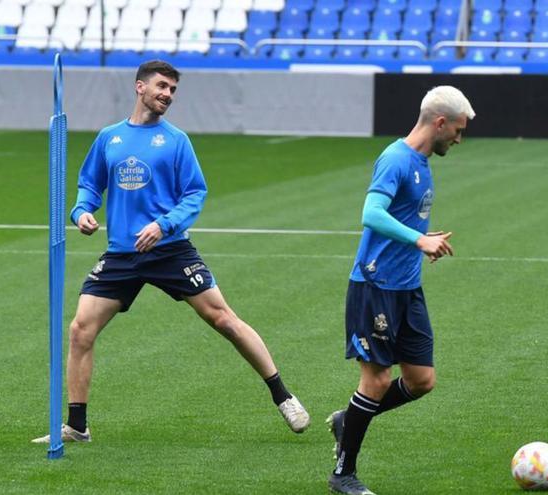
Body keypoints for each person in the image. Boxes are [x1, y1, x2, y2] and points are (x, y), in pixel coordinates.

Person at [32, 60, 309, 444]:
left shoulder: (176, 140)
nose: (167, 94)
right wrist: (82, 212)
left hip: (170, 249)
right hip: (122, 254)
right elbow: (88, 186)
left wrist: (164, 224)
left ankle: (284, 396)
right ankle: (77, 426)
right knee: (80, 330)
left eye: (173, 90)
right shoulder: (110, 137)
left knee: (224, 320)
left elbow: (195, 192)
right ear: (139, 87)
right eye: (162, 86)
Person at [325, 86, 475, 495]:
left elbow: (402, 216)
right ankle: (343, 474)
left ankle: (349, 419)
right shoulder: (395, 159)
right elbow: (370, 214)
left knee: (422, 380)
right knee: (375, 380)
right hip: (375, 285)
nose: (459, 140)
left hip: (407, 287)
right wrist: (419, 240)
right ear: (439, 123)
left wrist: (422, 239)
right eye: (458, 131)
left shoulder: (423, 162)